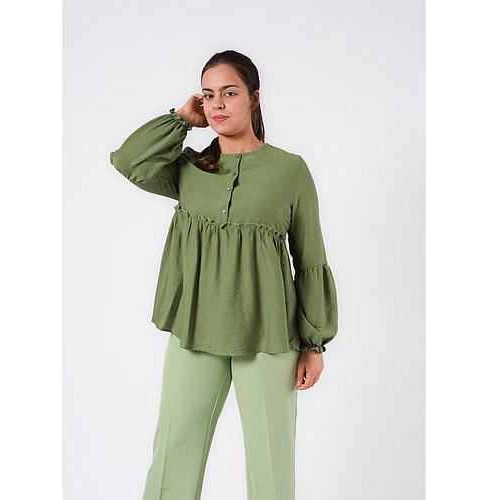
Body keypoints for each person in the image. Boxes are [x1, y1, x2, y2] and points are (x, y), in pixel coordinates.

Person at [109, 49, 338, 500]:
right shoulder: (189, 169)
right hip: (195, 329)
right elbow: (129, 161)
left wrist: (314, 343)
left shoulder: (290, 170)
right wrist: (181, 119)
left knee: (271, 463)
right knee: (173, 453)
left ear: (254, 98)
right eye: (208, 94)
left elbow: (310, 257)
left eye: (229, 93)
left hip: (270, 335)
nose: (217, 104)